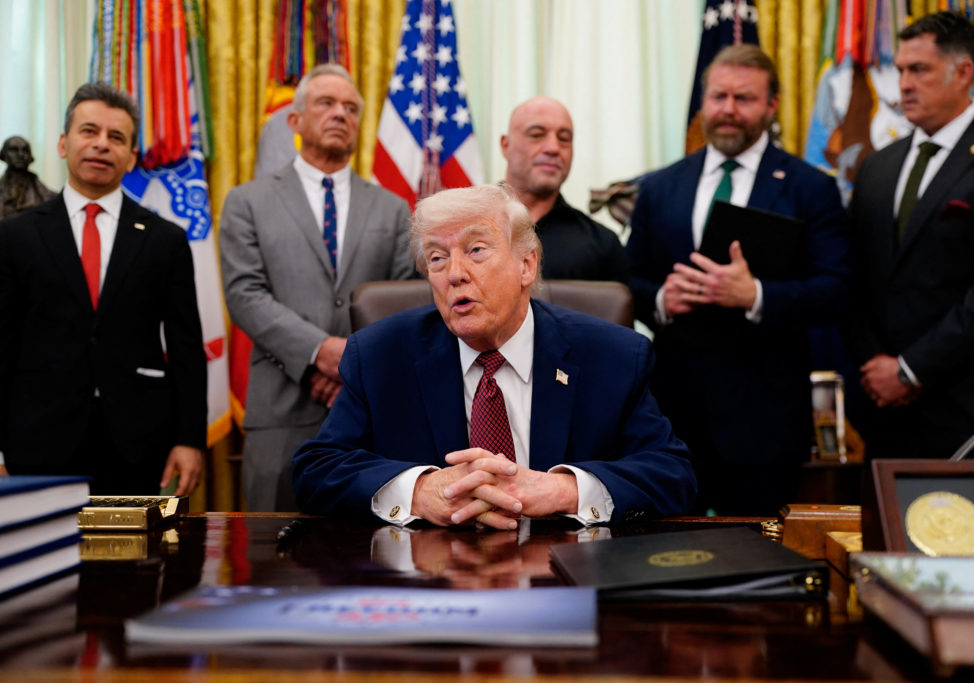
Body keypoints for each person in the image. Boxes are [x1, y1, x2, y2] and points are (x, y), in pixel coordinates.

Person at [293, 184, 696, 528]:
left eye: (476, 249)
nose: (455, 273)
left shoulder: (611, 355)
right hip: (430, 591)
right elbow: (317, 469)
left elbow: (672, 473)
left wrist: (560, 489)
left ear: (526, 264)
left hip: (563, 586)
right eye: (436, 257)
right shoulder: (381, 354)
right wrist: (417, 491)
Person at [626, 45, 850, 516]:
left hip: (767, 414)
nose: (728, 110)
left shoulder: (810, 187)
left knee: (761, 550)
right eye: (718, 96)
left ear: (771, 106)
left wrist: (756, 295)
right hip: (672, 409)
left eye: (744, 98)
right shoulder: (661, 185)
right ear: (703, 102)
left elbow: (837, 289)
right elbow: (630, 279)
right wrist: (664, 299)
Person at [219, 64, 415, 511]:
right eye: (326, 104)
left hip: (371, 412)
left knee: (369, 561)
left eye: (350, 108)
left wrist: (353, 367)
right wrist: (322, 355)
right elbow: (245, 296)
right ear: (296, 120)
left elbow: (406, 297)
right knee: (272, 558)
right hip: (280, 410)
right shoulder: (247, 201)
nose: (340, 114)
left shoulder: (392, 208)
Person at [0, 82, 206, 494]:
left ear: (131, 157)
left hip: (138, 441)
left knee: (134, 558)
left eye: (116, 137)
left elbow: (186, 345)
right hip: (36, 439)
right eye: (88, 131)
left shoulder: (165, 239)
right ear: (63, 143)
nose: (101, 145)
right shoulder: (14, 236)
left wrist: (189, 438)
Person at [847, 11, 974, 459]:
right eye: (900, 70)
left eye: (918, 70)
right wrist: (877, 370)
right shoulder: (877, 166)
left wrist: (910, 370)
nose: (903, 84)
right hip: (882, 410)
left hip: (973, 409)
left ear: (963, 72)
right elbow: (855, 277)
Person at [500, 97, 630, 284]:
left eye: (564, 139)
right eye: (537, 135)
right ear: (506, 145)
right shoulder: (466, 224)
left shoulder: (603, 244)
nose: (553, 148)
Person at [0, 135, 57, 219]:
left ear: (30, 157)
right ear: (4, 155)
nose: (20, 155)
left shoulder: (50, 197)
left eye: (25, 150)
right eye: (14, 150)